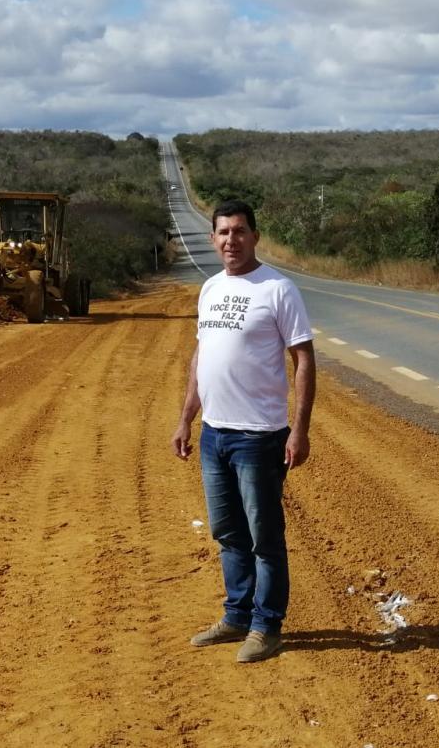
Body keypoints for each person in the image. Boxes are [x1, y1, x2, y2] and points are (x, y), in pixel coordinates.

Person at [171, 199, 316, 664]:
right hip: (215, 435)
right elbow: (201, 358)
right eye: (223, 232)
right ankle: (236, 615)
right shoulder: (210, 288)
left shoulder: (278, 289)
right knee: (228, 532)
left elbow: (305, 360)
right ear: (213, 239)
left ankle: (266, 626)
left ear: (254, 236)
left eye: (239, 231)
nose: (231, 240)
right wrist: (186, 418)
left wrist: (300, 429)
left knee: (264, 537)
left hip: (259, 436)